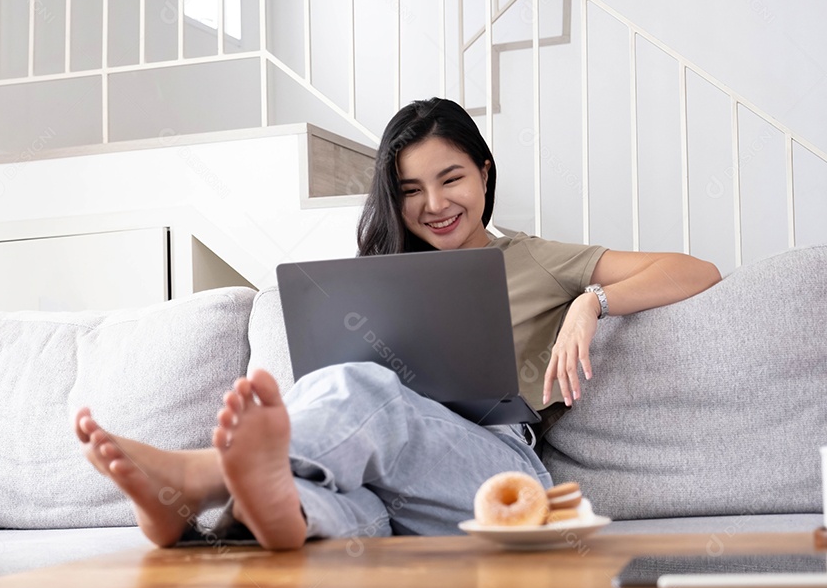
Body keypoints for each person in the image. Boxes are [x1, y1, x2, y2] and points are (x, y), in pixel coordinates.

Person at [74, 97, 722, 551]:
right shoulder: (377, 279)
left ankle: (197, 478)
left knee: (365, 390)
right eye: (411, 190)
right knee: (354, 504)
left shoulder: (530, 259)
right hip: (399, 496)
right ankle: (276, 519)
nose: (435, 205)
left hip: (500, 478)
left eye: (451, 179)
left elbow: (697, 269)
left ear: (485, 174)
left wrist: (592, 302)